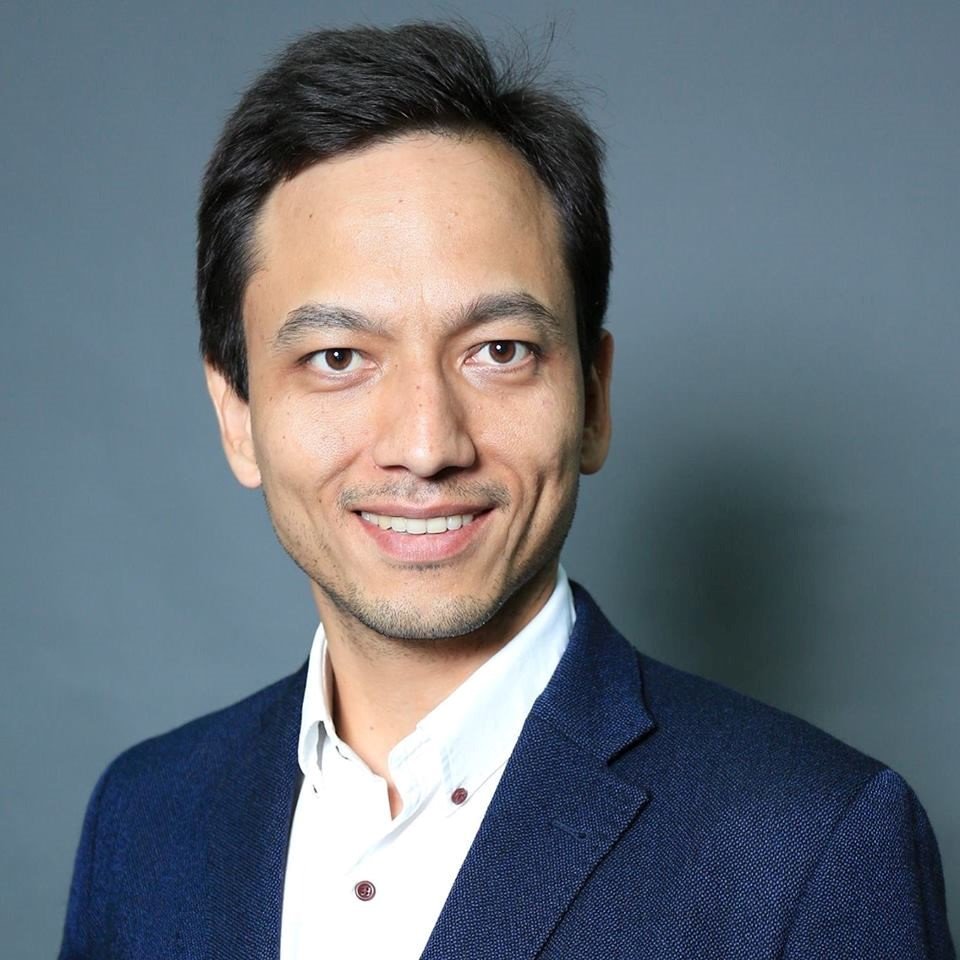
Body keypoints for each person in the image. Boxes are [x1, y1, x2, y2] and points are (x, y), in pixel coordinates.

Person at [59, 21, 954, 960]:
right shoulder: (145, 817)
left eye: (499, 351)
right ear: (237, 414)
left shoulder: (815, 847)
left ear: (594, 399)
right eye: (337, 358)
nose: (425, 445)